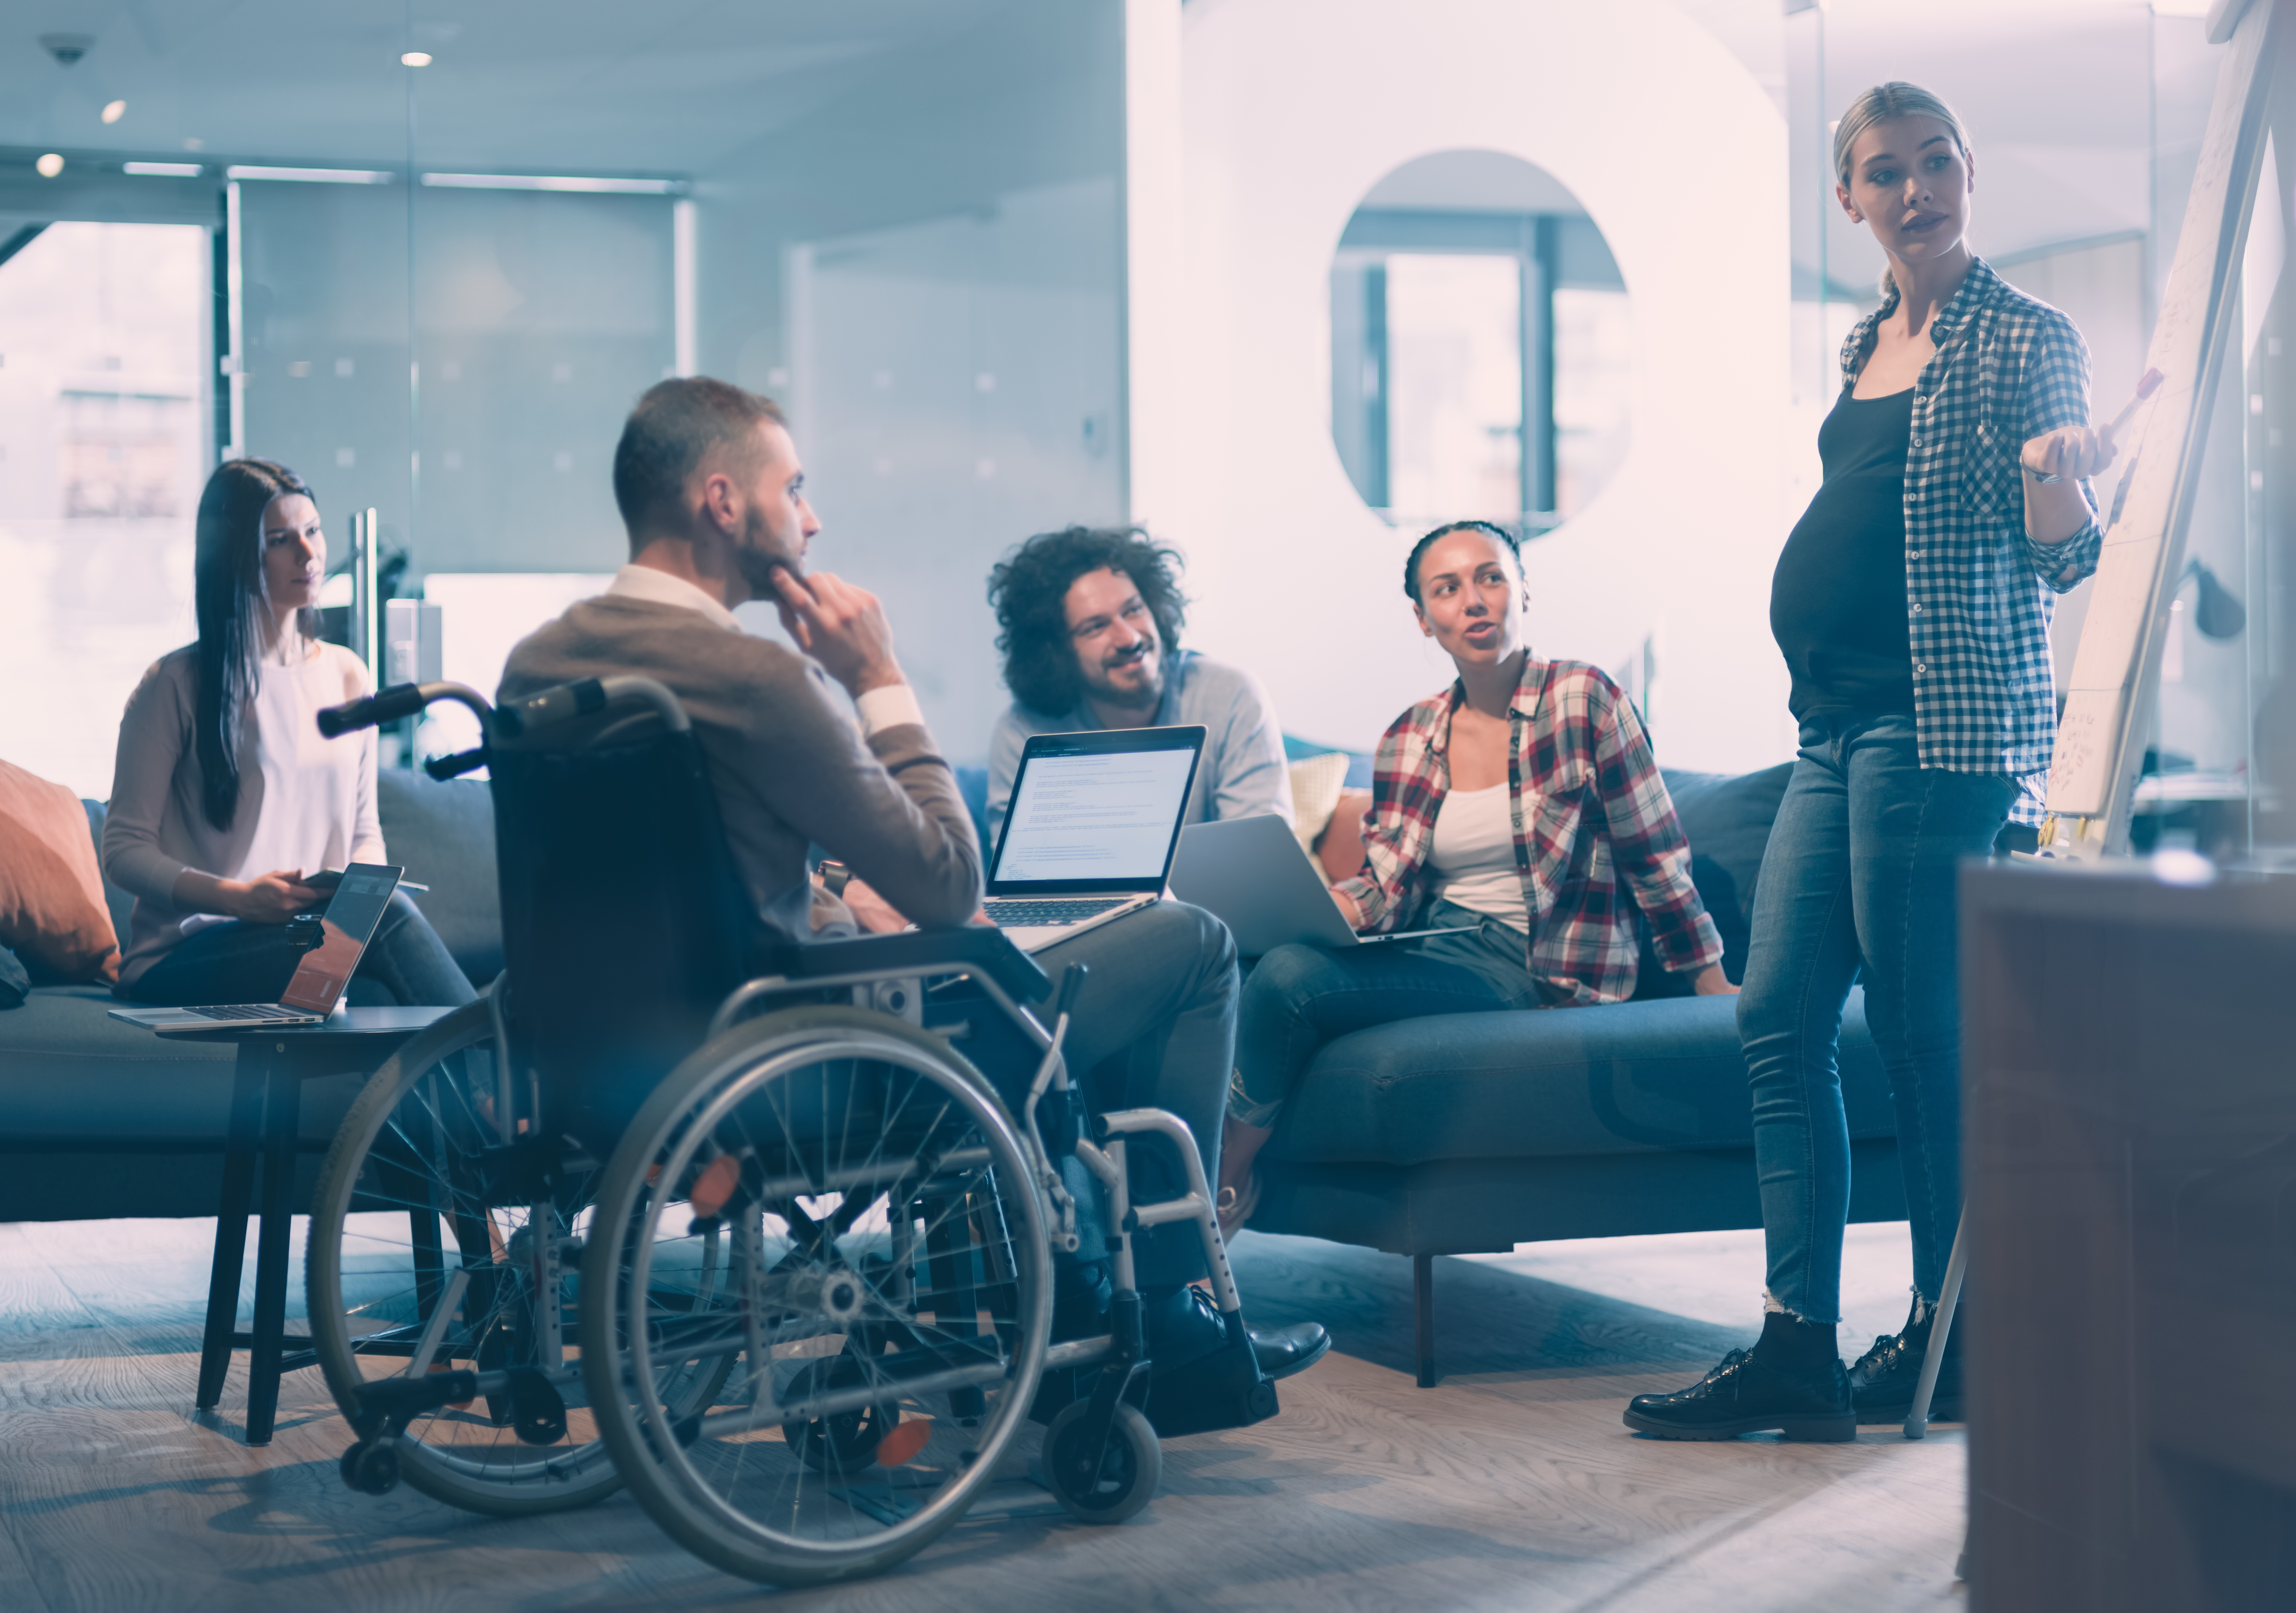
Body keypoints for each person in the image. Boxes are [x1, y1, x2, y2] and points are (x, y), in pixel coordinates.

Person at [499, 378, 1326, 1383]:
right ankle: (1163, 1306)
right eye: (792, 488)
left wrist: (831, 892)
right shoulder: (758, 680)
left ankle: (1068, 1293)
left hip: (599, 1057)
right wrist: (876, 678)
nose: (811, 518)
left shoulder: (538, 662)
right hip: (802, 1061)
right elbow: (945, 880)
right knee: (1191, 942)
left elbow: (665, 878)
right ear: (721, 501)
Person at [1627, 84, 2111, 1442]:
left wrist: (2054, 468)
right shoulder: (1864, 340)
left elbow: (2067, 553)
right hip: (1829, 728)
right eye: (1885, 172)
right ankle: (1795, 1344)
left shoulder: (2027, 334)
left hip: (1937, 727)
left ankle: (1955, 1338)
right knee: (1775, 1017)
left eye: (1934, 162)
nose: (1915, 191)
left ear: (1968, 172)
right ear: (1849, 199)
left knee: (1911, 1030)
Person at [1216, 520, 1733, 1232]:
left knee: (1289, 977)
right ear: (1423, 619)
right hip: (1435, 943)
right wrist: (1325, 907)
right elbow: (1385, 885)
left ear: (1524, 589)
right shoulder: (1410, 734)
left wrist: (1711, 983)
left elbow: (1653, 851)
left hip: (1533, 966)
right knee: (1249, 960)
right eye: (1447, 588)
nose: (1474, 600)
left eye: (1491, 577)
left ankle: (1224, 1178)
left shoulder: (1583, 698)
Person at [105, 459, 475, 1010]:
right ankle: (507, 1063)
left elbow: (364, 831)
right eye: (280, 540)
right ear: (235, 557)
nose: (309, 554)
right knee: (390, 919)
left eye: (313, 531)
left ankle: (490, 1066)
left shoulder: (348, 674)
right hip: (184, 957)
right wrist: (239, 899)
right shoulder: (176, 683)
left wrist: (359, 891)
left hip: (300, 938)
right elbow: (123, 850)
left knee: (377, 991)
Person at [985, 527, 1292, 841]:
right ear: (1056, 651)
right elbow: (1024, 866)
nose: (1129, 638)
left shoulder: (1230, 697)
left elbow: (1261, 851)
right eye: (1096, 627)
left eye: (1133, 610)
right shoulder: (1023, 731)